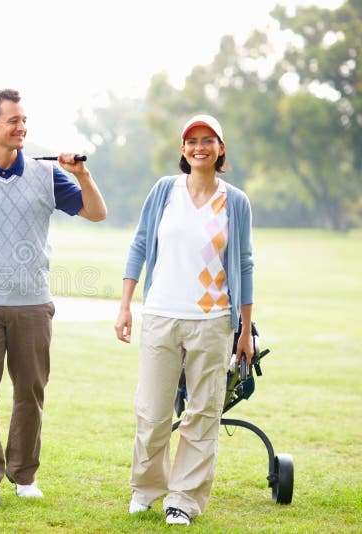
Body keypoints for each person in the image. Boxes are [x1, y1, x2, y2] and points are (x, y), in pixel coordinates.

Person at [0, 88, 107, 507]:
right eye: (13, 120)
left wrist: (82, 175)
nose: (22, 127)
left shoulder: (48, 176)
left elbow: (97, 212)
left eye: (24, 120)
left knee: (30, 392)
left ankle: (24, 474)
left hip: (32, 303)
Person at [114, 114, 254, 526]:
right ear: (182, 149)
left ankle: (184, 500)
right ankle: (146, 488)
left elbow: (244, 265)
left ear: (221, 148)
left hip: (213, 321)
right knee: (153, 409)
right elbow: (140, 244)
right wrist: (125, 305)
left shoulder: (236, 201)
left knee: (202, 413)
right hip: (160, 314)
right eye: (191, 140)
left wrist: (244, 330)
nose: (199, 147)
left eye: (208, 140)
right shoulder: (163, 192)